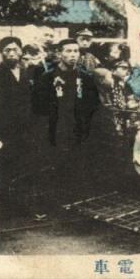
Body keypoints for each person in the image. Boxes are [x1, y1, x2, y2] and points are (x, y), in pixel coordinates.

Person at [32, 38, 100, 178]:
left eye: (76, 51)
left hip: (79, 126)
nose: (73, 55)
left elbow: (93, 104)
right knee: (57, 166)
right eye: (68, 51)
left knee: (78, 164)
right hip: (56, 127)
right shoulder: (48, 76)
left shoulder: (85, 76)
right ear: (60, 53)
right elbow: (38, 105)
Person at [0, 36, 34, 193]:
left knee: (24, 166)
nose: (12, 53)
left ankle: (23, 205)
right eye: (7, 50)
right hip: (5, 129)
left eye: (15, 49)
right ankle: (5, 209)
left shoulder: (26, 72)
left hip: (26, 129)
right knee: (4, 166)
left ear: (21, 51)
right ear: (1, 52)